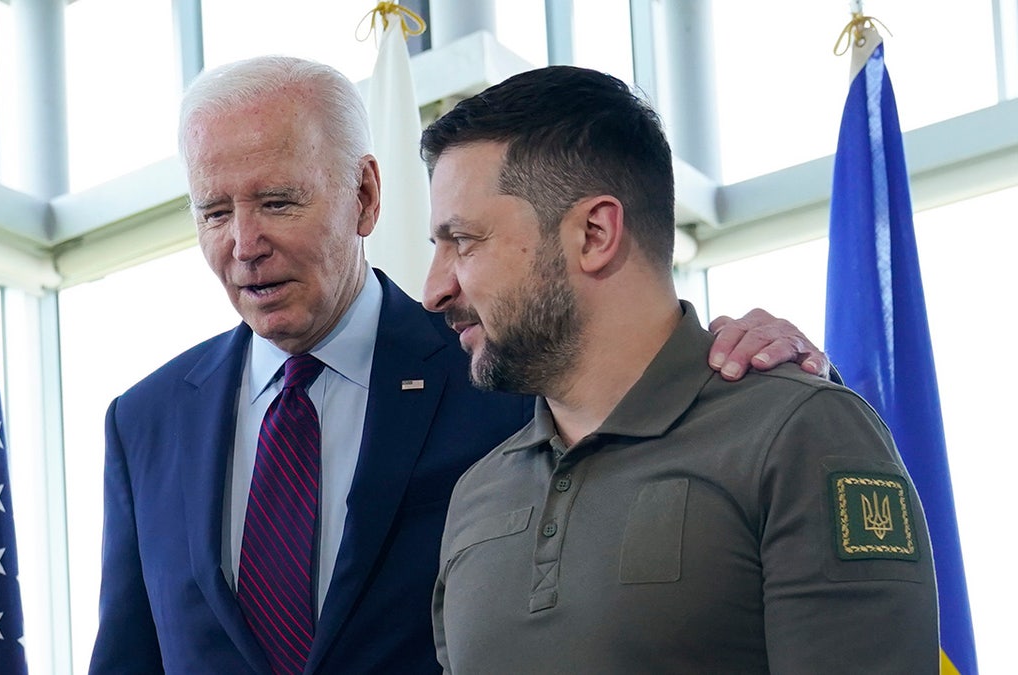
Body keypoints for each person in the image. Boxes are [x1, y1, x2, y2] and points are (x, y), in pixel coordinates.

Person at [89, 56, 831, 674]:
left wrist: (756, 356)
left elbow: (634, 358)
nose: (244, 243)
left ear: (366, 196)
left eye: (279, 202)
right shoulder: (144, 421)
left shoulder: (503, 366)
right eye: (214, 213)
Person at [422, 65, 939, 673]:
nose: (433, 289)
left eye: (464, 241)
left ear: (594, 233)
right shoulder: (477, 491)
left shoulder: (797, 434)